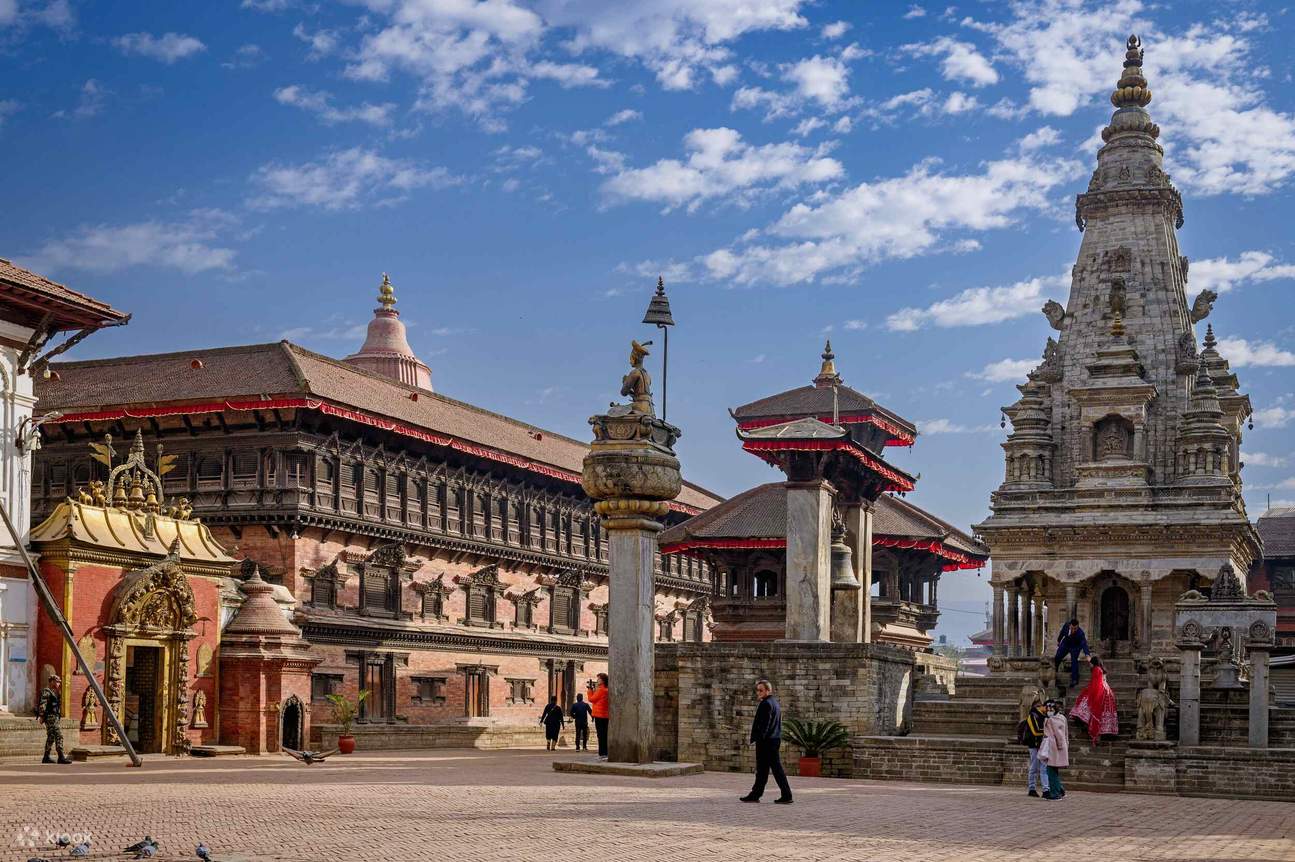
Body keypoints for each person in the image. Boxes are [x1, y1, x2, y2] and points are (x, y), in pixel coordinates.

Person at [740, 679, 793, 804]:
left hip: (767, 742)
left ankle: (787, 795)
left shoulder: (766, 704)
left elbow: (765, 725)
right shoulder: (774, 703)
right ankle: (755, 794)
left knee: (775, 769)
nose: (758, 692)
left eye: (761, 690)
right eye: (757, 690)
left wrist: (760, 738)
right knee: (763, 770)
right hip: (773, 740)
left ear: (768, 690)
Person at [1069, 655, 1119, 745]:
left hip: (1100, 692)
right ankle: (1102, 732)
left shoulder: (1096, 669)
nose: (1089, 665)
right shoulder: (1101, 669)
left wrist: (1091, 694)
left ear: (1094, 663)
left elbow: (1096, 684)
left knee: (1087, 703)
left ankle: (1090, 727)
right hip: (1107, 692)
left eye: (1090, 664)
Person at [37, 674, 72, 764]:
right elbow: (42, 704)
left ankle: (46, 757)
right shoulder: (47, 691)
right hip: (50, 717)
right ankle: (61, 757)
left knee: (51, 737)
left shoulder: (55, 692)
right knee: (59, 735)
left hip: (55, 717)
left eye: (59, 682)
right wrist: (41, 716)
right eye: (57, 682)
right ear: (52, 681)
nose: (59, 684)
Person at [1040, 699, 1070, 800]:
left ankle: (1055, 793)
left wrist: (1060, 745)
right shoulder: (1061, 718)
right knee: (1053, 770)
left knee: (1050, 770)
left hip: (1055, 747)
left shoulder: (1052, 720)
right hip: (1058, 746)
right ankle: (1060, 790)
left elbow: (1059, 735)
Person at [1022, 695, 1049, 798]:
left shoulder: (1044, 716)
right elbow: (1035, 731)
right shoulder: (1032, 715)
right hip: (1034, 744)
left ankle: (1046, 789)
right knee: (1034, 767)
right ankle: (1032, 788)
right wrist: (1048, 733)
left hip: (1042, 744)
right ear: (1041, 706)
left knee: (1044, 767)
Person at [1054, 618, 1091, 688]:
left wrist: (1087, 654)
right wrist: (1059, 640)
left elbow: (1084, 644)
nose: (1074, 630)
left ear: (1078, 627)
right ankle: (1055, 671)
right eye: (1072, 628)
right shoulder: (1066, 625)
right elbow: (1062, 633)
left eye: (1075, 628)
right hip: (1066, 643)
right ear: (1070, 626)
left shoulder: (1080, 633)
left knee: (1074, 660)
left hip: (1075, 647)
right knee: (1057, 656)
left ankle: (1074, 679)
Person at [587, 673, 609, 760]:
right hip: (605, 715)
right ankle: (605, 752)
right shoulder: (606, 689)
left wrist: (590, 690)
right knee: (604, 734)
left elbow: (591, 699)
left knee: (600, 734)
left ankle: (602, 753)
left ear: (602, 680)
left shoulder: (601, 690)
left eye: (599, 679)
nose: (597, 680)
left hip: (599, 715)